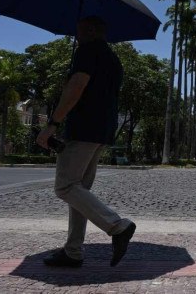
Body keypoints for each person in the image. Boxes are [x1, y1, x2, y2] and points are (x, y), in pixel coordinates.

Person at [37, 16, 136, 268]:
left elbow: (77, 86)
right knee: (79, 191)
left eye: (78, 29)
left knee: (66, 187)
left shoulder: (87, 51)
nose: (75, 34)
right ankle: (73, 251)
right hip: (102, 130)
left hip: (83, 129)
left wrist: (53, 124)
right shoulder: (113, 59)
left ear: (91, 30)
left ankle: (117, 226)